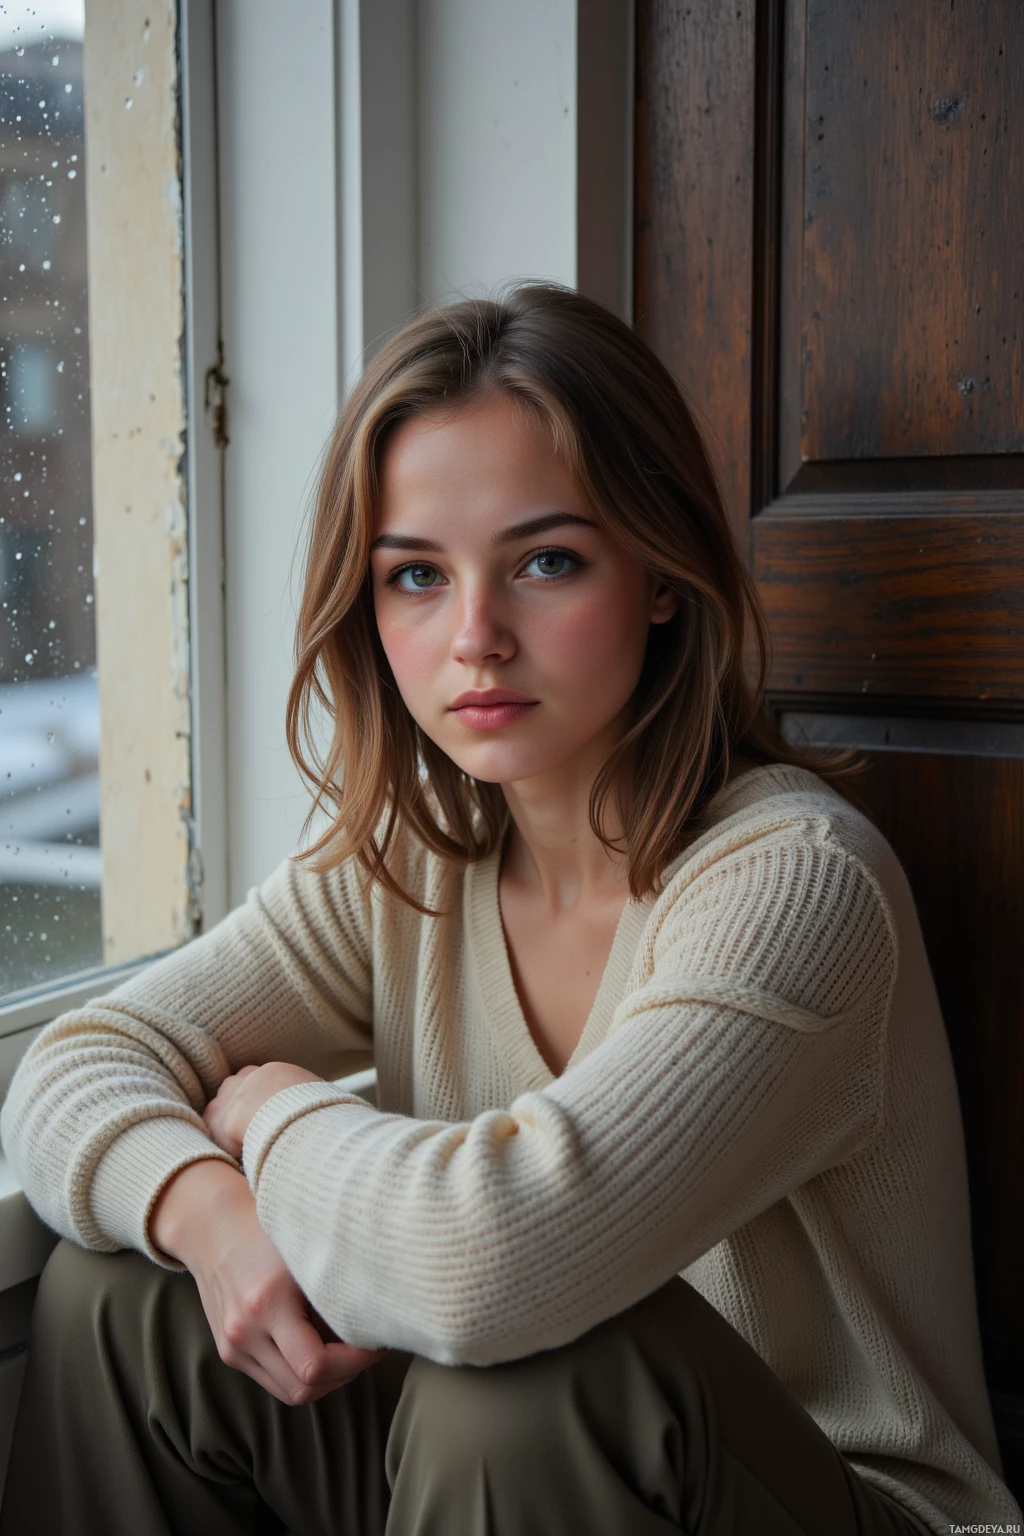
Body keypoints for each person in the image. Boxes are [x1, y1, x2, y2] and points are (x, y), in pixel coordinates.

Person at [0, 284, 1018, 1536]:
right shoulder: (413, 863)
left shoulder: (798, 886)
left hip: (829, 1497)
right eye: (415, 576)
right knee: (121, 1299)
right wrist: (207, 1213)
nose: (473, 637)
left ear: (657, 572)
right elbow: (75, 1065)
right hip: (516, 1484)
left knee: (535, 1382)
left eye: (545, 561)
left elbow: (492, 1268)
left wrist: (269, 1115)